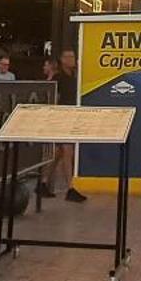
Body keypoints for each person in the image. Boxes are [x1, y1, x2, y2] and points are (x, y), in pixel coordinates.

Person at [52, 47, 86, 203]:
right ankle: (70, 188)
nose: (72, 59)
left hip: (72, 116)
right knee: (67, 151)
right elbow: (54, 96)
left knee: (60, 153)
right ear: (62, 59)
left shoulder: (75, 76)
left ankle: (44, 182)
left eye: (73, 56)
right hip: (62, 117)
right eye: (69, 57)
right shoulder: (58, 78)